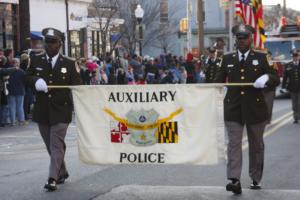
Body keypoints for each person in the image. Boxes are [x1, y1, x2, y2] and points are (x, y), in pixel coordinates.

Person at [215, 24, 280, 194]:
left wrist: (266, 77)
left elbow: (276, 78)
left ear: (251, 39)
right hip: (233, 108)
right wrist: (219, 87)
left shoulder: (262, 57)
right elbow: (217, 81)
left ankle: (255, 177)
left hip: (255, 108)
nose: (241, 41)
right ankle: (234, 179)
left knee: (256, 145)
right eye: (239, 38)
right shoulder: (227, 59)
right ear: (235, 40)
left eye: (245, 37)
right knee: (234, 145)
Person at [25, 27, 82, 191]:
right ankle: (62, 171)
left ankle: (52, 178)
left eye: (52, 42)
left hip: (61, 110)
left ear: (60, 44)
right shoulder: (35, 60)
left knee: (56, 144)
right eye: (46, 42)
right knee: (51, 145)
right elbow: (26, 77)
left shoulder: (70, 63)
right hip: (42, 109)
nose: (48, 45)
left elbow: (77, 87)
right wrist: (35, 81)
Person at [281, 49, 300, 124]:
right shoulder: (288, 65)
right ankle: (296, 117)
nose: (295, 57)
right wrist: (283, 86)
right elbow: (285, 77)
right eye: (294, 56)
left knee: (299, 103)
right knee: (294, 104)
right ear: (292, 57)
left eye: (297, 56)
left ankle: (298, 115)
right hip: (292, 87)